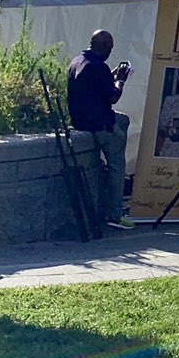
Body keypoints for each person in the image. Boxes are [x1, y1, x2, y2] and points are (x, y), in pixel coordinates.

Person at [66, 30, 133, 229]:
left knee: (124, 120)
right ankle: (115, 214)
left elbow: (95, 85)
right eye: (109, 48)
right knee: (117, 166)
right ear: (103, 46)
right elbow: (113, 97)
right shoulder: (98, 66)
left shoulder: (77, 61)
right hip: (100, 124)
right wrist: (121, 80)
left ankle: (119, 137)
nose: (110, 52)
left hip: (81, 121)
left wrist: (111, 74)